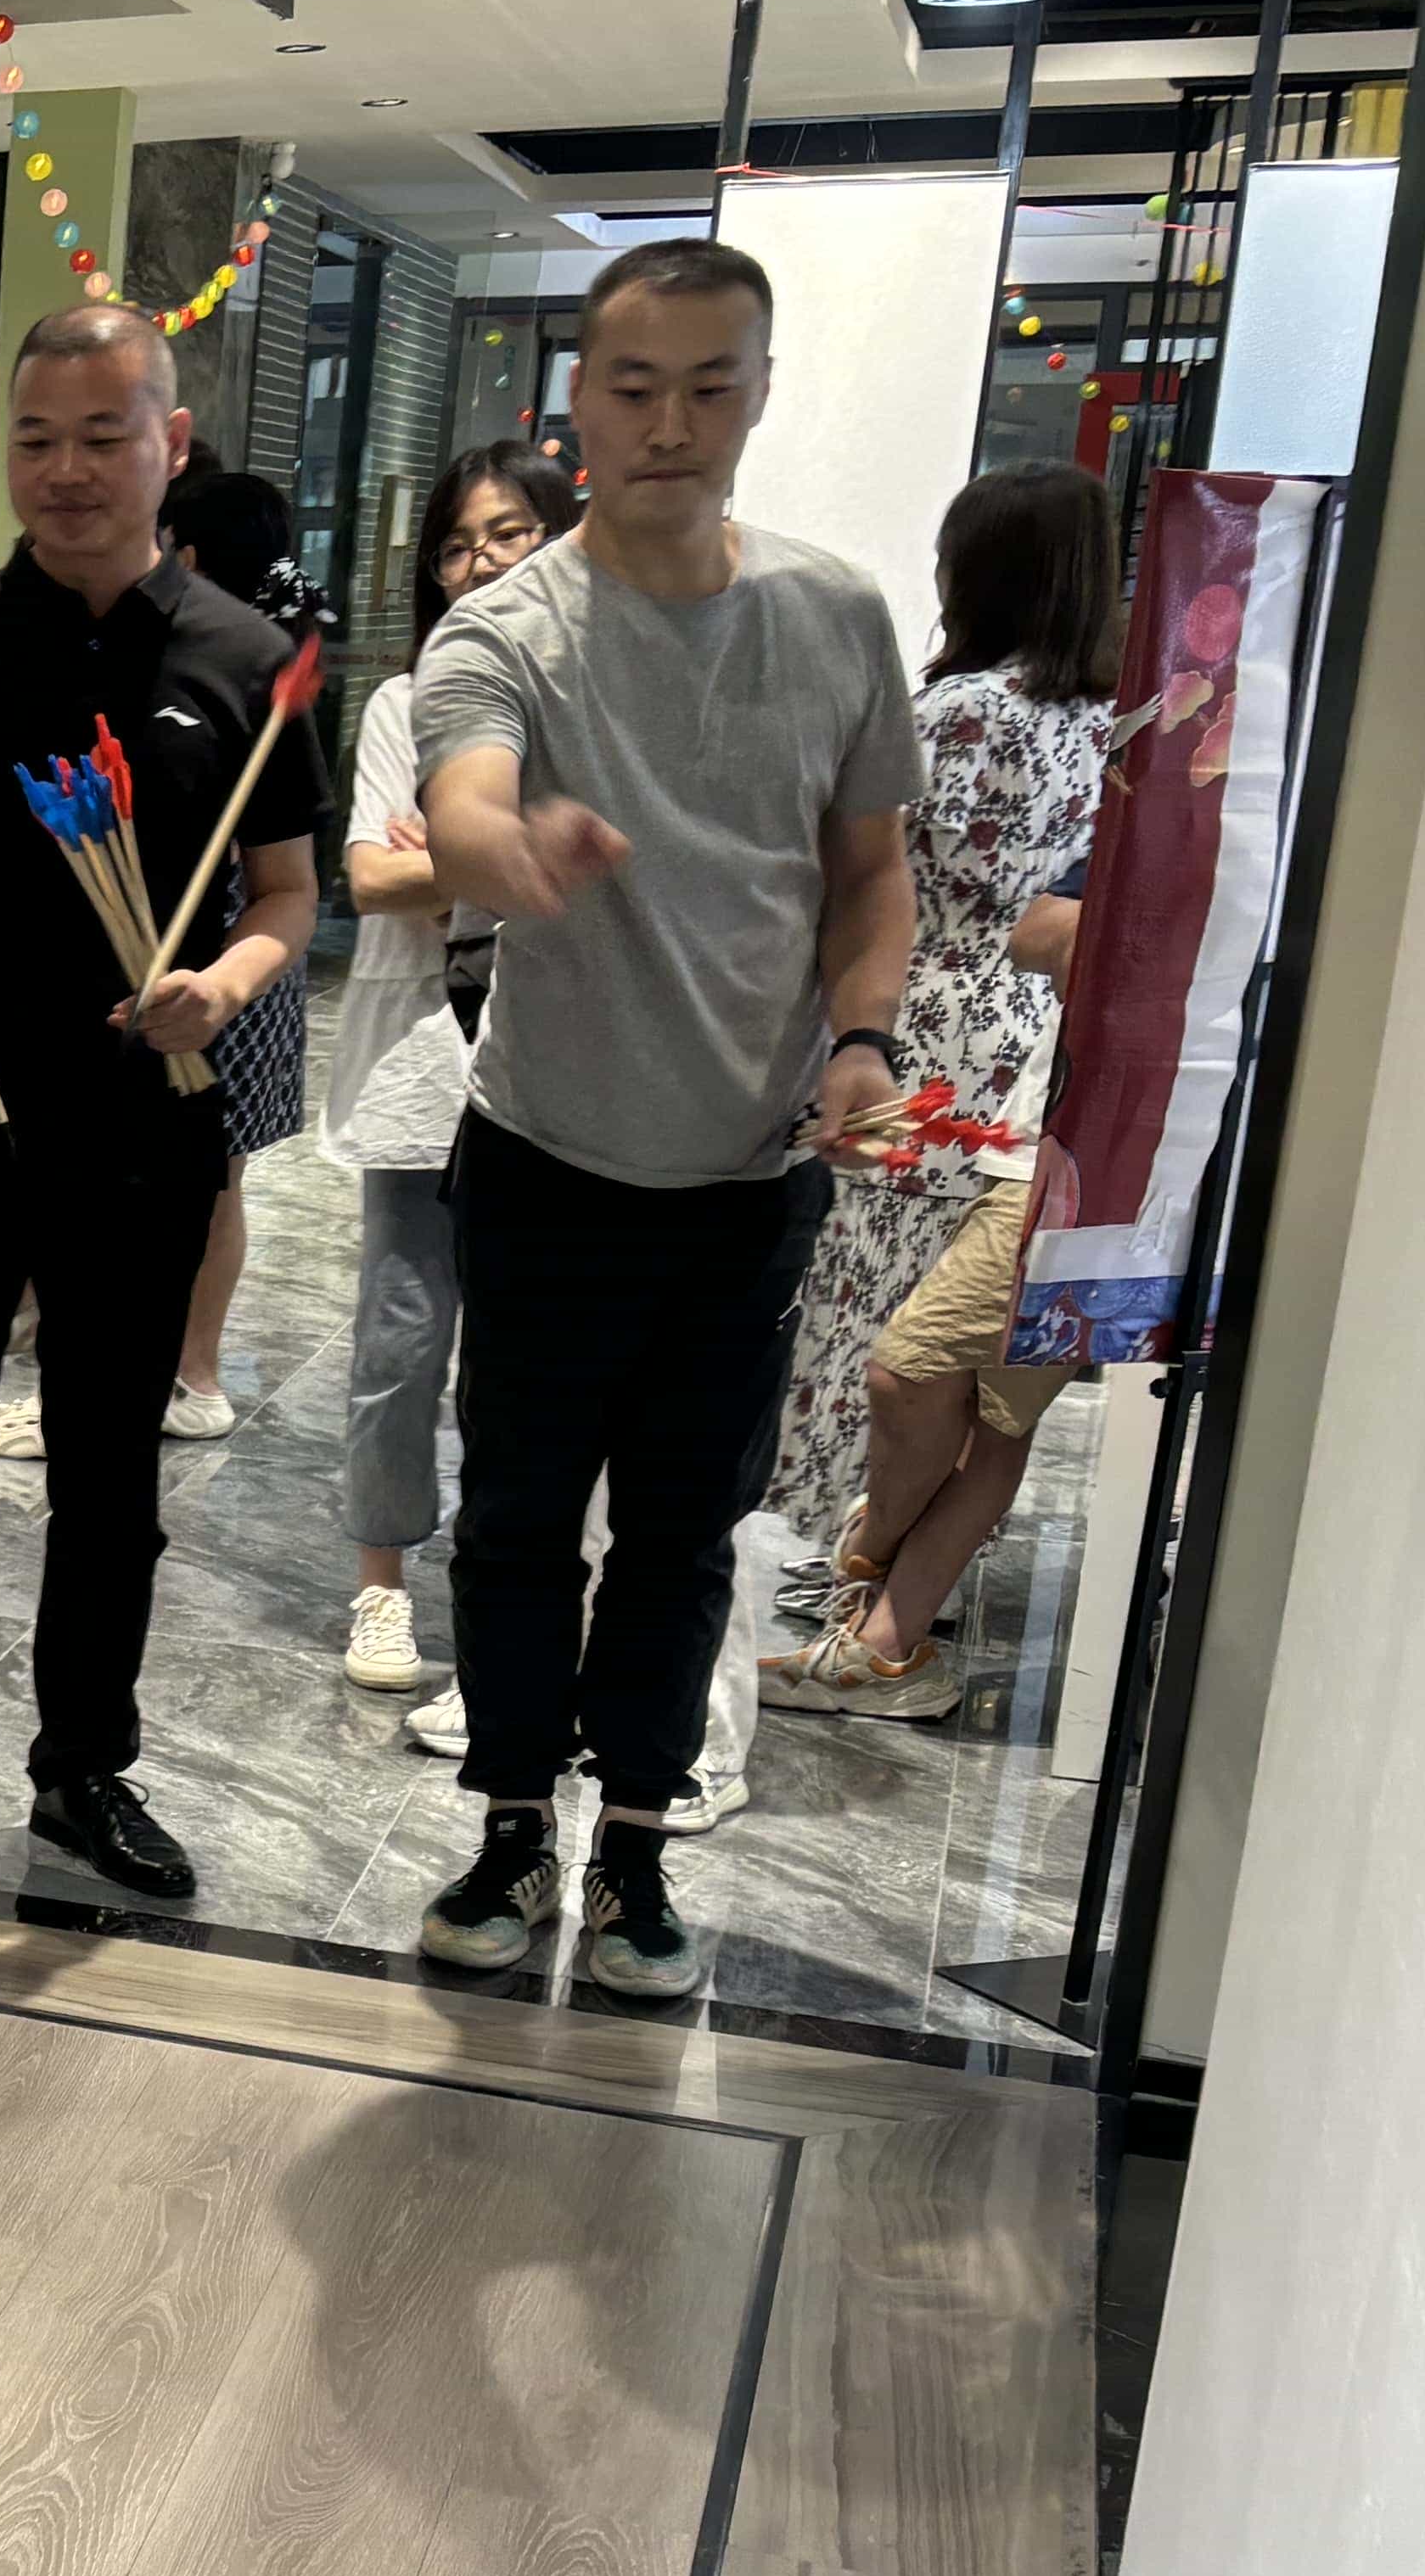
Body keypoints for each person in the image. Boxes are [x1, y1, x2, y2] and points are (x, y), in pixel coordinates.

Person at [407, 238, 923, 2001]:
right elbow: (463, 807)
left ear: (760, 396)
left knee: (686, 1533)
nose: (671, 424)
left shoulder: (836, 616)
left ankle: (632, 1843)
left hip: (749, 1175)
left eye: (711, 386)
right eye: (635, 387)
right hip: (546, 1156)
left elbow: (871, 875)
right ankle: (507, 1823)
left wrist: (862, 1040)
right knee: (515, 1519)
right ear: (581, 400)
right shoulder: (510, 626)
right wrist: (514, 849)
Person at [0, 305, 325, 1908]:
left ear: (171, 443)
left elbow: (288, 895)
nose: (67, 469)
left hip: (143, 1124)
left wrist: (223, 986)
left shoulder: (244, 664)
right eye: (36, 439)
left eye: (104, 436)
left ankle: (83, 1765)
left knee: (110, 1474)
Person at [763, 467, 1119, 1719]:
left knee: (875, 1333)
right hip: (1037, 1053)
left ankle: (845, 1564)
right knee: (978, 1375)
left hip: (924, 1045)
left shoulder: (956, 714)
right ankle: (909, 1592)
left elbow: (863, 875)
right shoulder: (1110, 726)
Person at [322, 442, 574, 1694]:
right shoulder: (405, 704)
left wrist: (463, 859)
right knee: (403, 1340)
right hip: (423, 1060)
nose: (480, 562)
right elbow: (375, 880)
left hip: (562, 1059)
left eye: (509, 533)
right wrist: (514, 857)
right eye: (458, 544)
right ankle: (380, 1587)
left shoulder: (593, 703)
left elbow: (608, 879)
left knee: (533, 1360)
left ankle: (508, 1599)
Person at [155, 460, 339, 1438]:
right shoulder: (280, 639)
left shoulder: (238, 660)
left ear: (186, 554)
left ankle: (193, 1371)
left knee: (211, 1169)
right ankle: (187, 1369)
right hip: (256, 941)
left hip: (237, 938)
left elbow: (282, 868)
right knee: (215, 1173)